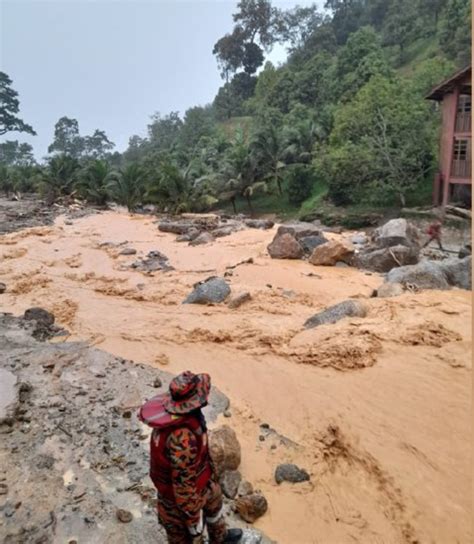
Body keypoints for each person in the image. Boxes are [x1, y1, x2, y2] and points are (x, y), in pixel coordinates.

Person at [139, 371, 243, 544]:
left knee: (214, 507)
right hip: (179, 500)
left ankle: (220, 538)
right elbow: (183, 489)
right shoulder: (182, 439)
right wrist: (193, 520)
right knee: (185, 537)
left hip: (202, 481)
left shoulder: (185, 418)